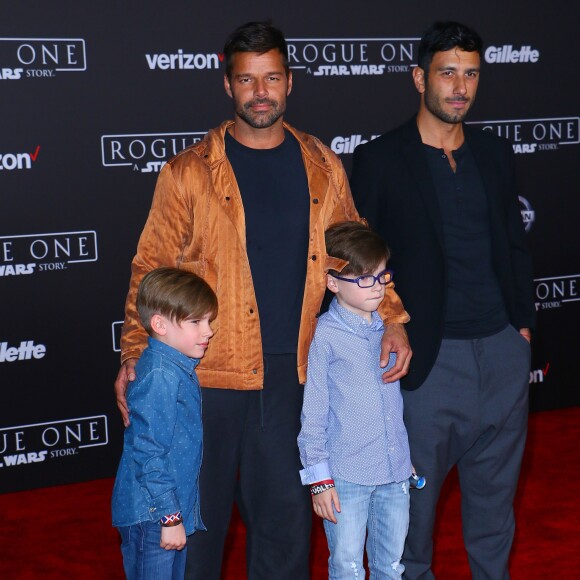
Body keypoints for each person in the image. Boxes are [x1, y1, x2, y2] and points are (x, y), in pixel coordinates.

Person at [114, 21, 411, 580]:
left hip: (290, 381)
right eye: (247, 80)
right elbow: (150, 270)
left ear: (289, 82)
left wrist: (392, 318)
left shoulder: (323, 165)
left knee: (284, 539)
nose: (260, 92)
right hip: (201, 381)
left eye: (271, 78)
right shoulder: (188, 172)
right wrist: (134, 352)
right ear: (228, 85)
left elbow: (358, 252)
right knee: (193, 538)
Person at [350, 21, 535, 580]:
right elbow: (360, 261)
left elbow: (513, 244)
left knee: (494, 509)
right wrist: (390, 323)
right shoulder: (380, 159)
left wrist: (521, 330)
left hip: (501, 354)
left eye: (471, 74)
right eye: (448, 72)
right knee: (410, 519)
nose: (461, 86)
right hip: (427, 365)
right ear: (418, 77)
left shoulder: (496, 152)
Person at [298, 221, 413, 579]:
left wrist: (404, 460)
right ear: (332, 283)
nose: (377, 287)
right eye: (364, 279)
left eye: (381, 276)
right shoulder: (325, 337)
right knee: (347, 568)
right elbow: (313, 416)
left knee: (391, 567)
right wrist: (320, 482)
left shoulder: (390, 330)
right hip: (346, 478)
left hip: (395, 474)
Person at [111, 267, 218, 579]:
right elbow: (149, 452)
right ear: (159, 324)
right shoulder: (161, 375)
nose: (208, 331)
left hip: (165, 509)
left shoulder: (176, 367)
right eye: (196, 322)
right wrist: (169, 518)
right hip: (152, 514)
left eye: (209, 321)